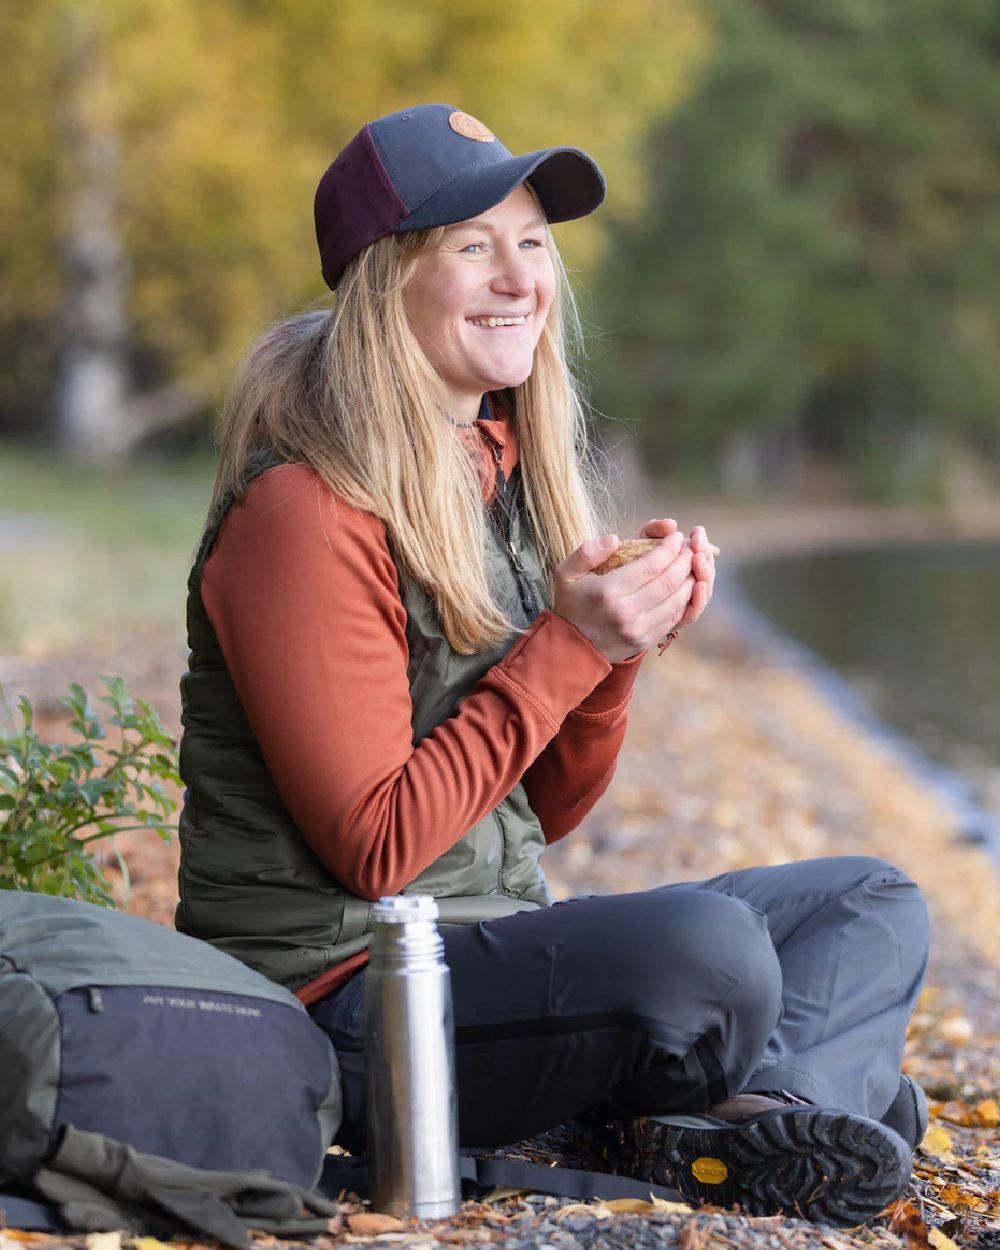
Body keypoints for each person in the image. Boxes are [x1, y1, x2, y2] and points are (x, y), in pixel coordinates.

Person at [175, 104, 930, 1226]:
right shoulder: (304, 510)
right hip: (344, 1003)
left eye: (532, 242)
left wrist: (612, 657)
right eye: (472, 245)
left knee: (869, 902)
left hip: (483, 945)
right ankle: (788, 1091)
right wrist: (570, 645)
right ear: (385, 282)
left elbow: (548, 807)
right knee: (712, 955)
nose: (519, 277)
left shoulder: (495, 469)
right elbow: (375, 844)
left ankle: (765, 1113)